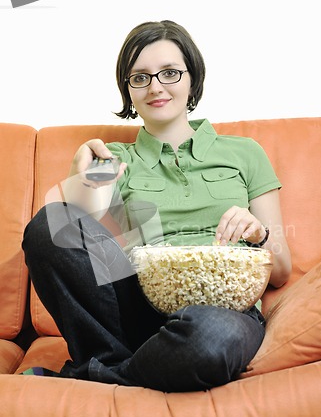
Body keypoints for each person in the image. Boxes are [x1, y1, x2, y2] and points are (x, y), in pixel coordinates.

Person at [22, 20, 291, 392]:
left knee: (211, 339)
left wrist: (258, 235)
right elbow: (69, 241)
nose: (156, 87)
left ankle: (98, 375)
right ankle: (126, 362)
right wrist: (78, 178)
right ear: (128, 90)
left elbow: (281, 271)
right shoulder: (113, 157)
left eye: (169, 73)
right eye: (140, 78)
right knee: (48, 223)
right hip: (139, 310)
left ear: (192, 78)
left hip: (223, 312)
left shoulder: (245, 153)